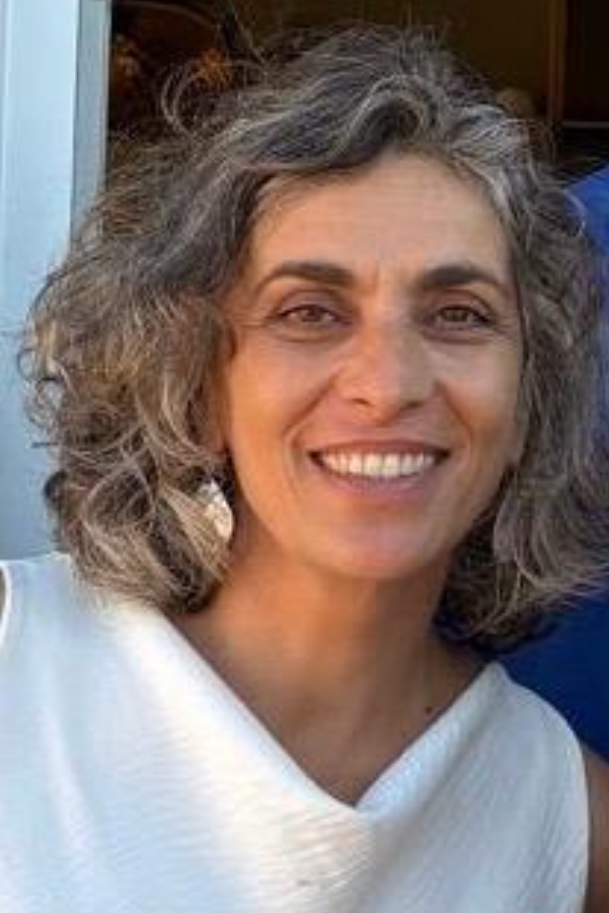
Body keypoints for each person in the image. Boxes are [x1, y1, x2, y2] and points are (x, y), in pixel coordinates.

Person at [1, 25, 608, 913]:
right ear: (197, 388)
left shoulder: (561, 817)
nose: (387, 384)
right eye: (309, 312)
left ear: (528, 404)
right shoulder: (18, 659)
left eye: (458, 313)